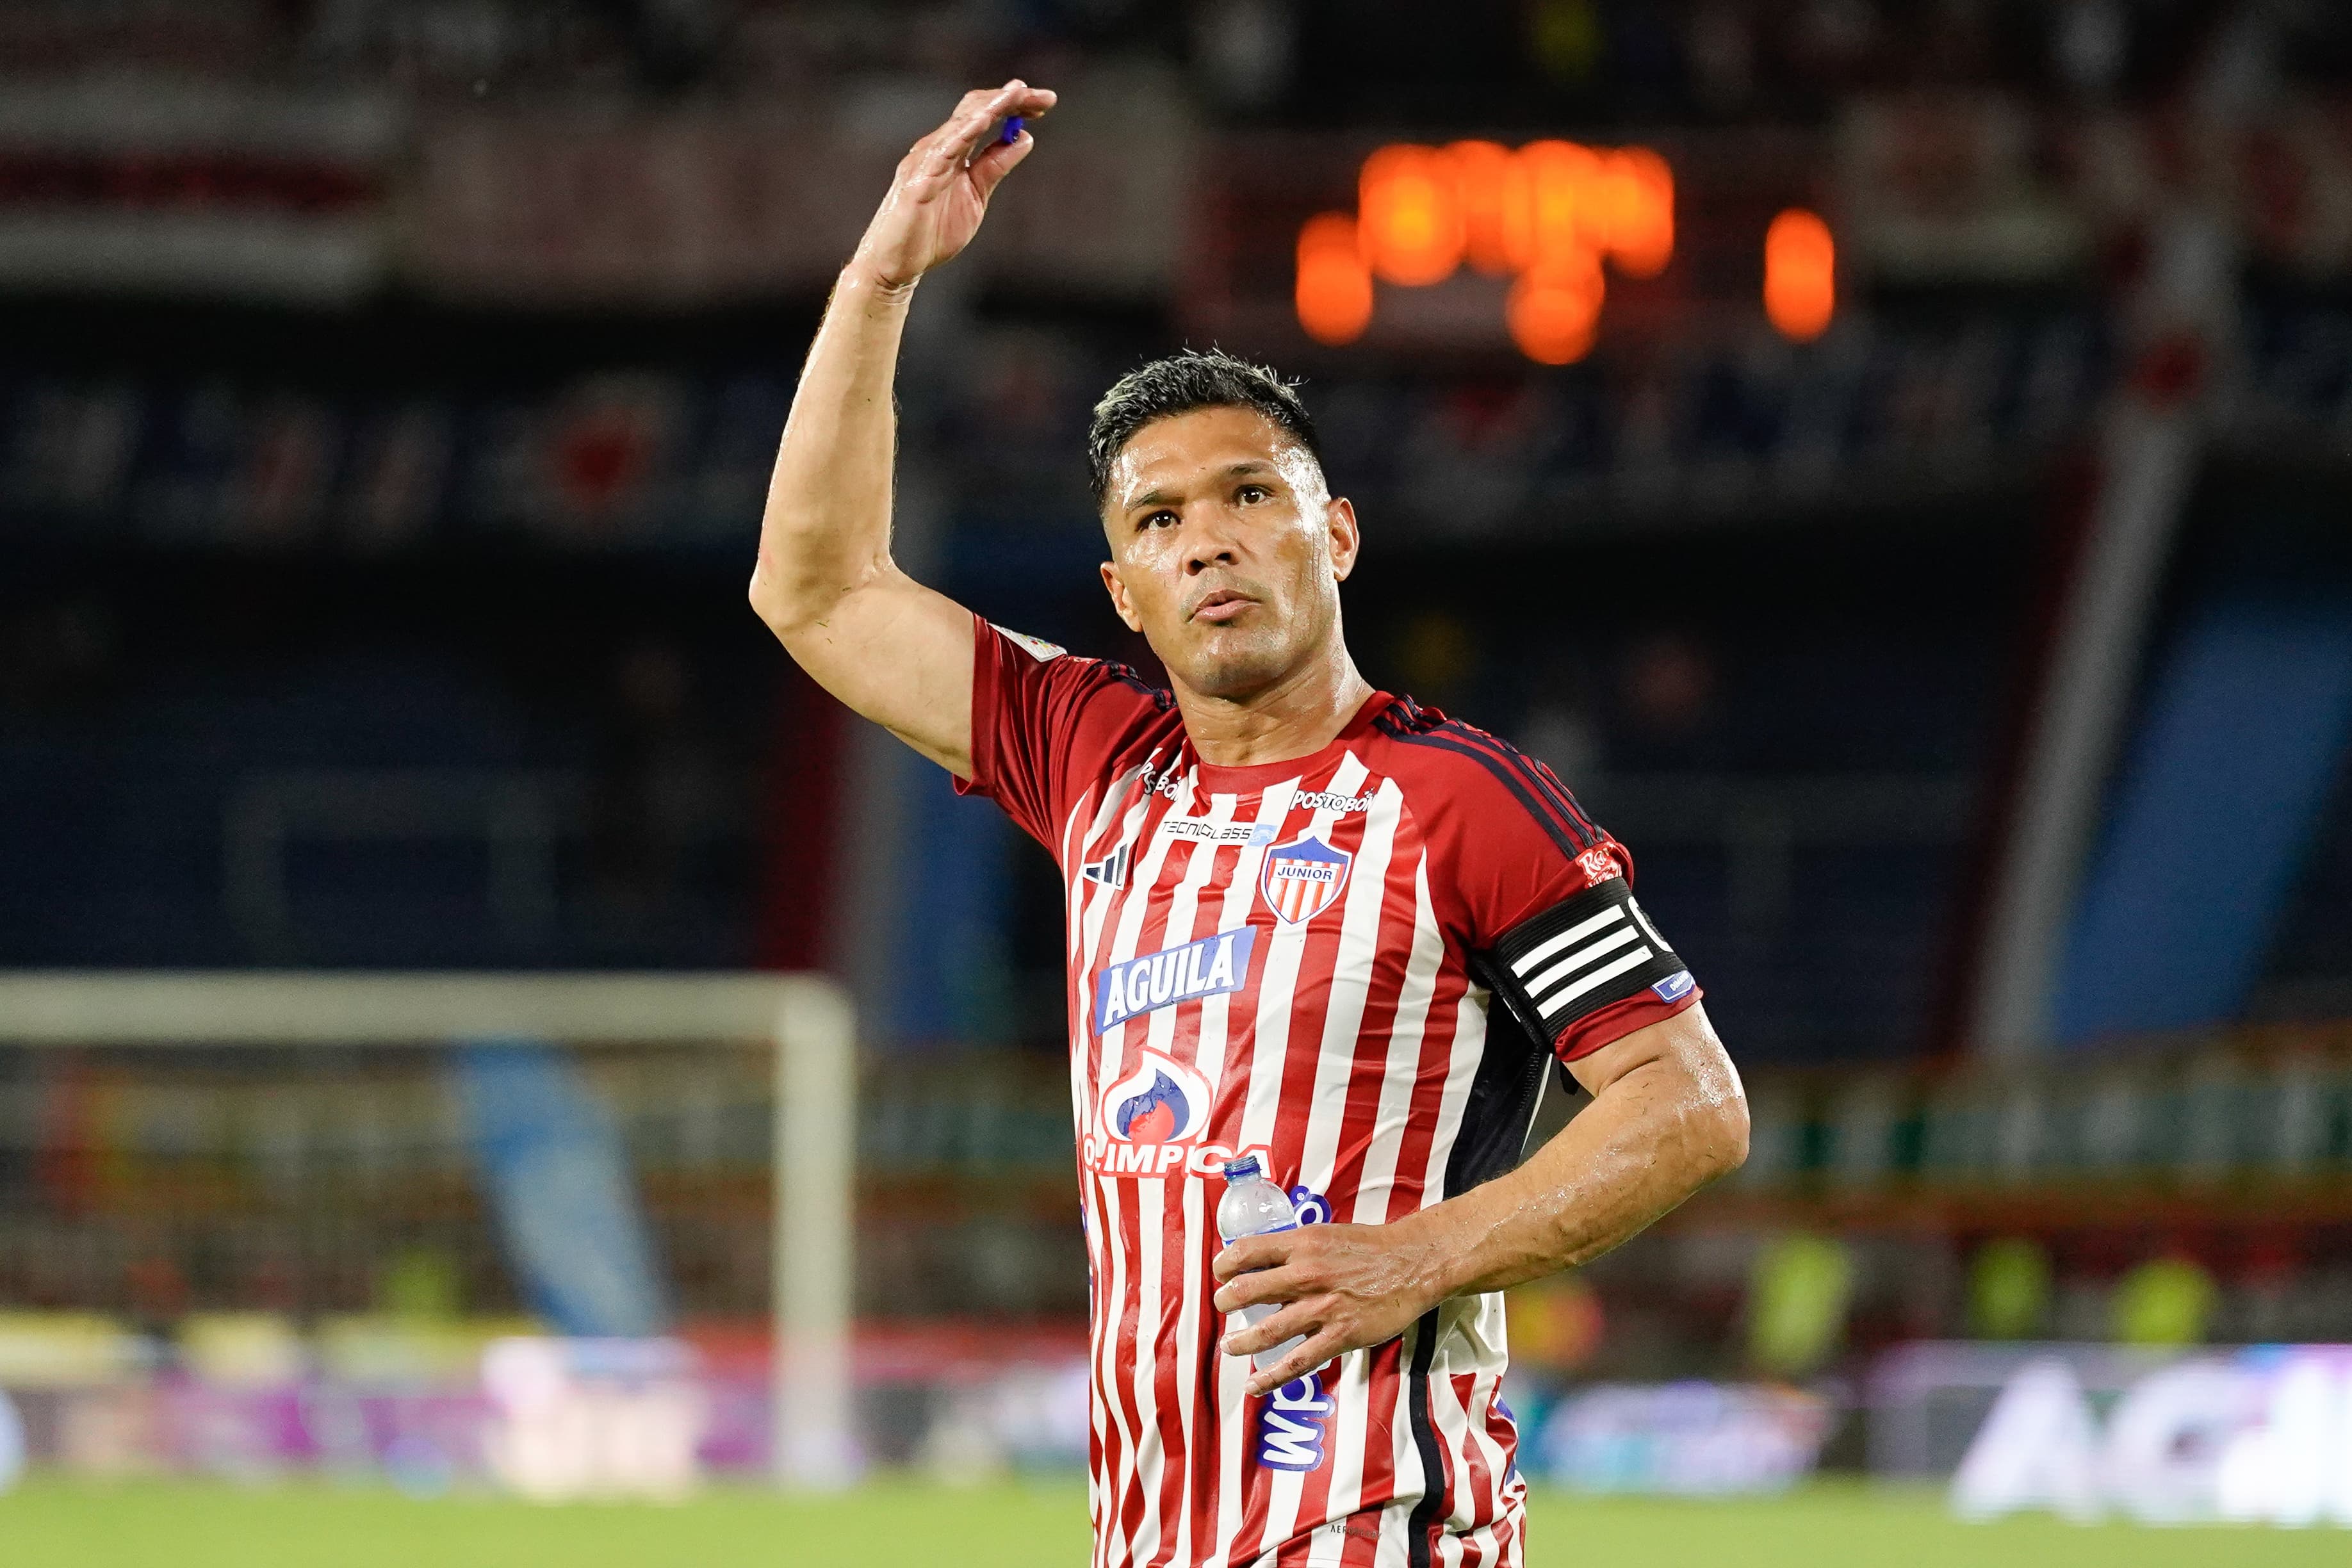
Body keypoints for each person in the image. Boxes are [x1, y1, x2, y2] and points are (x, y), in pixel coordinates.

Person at [751, 80, 1749, 1568]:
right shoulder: (1095, 759)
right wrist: (883, 273)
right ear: (1122, 597)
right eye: (1156, 521)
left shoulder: (1459, 800)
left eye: (1250, 496)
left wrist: (1421, 1256)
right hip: (1150, 1537)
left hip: (1383, 1527)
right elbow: (817, 590)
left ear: (1334, 533)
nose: (1206, 537)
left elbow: (1690, 1105)